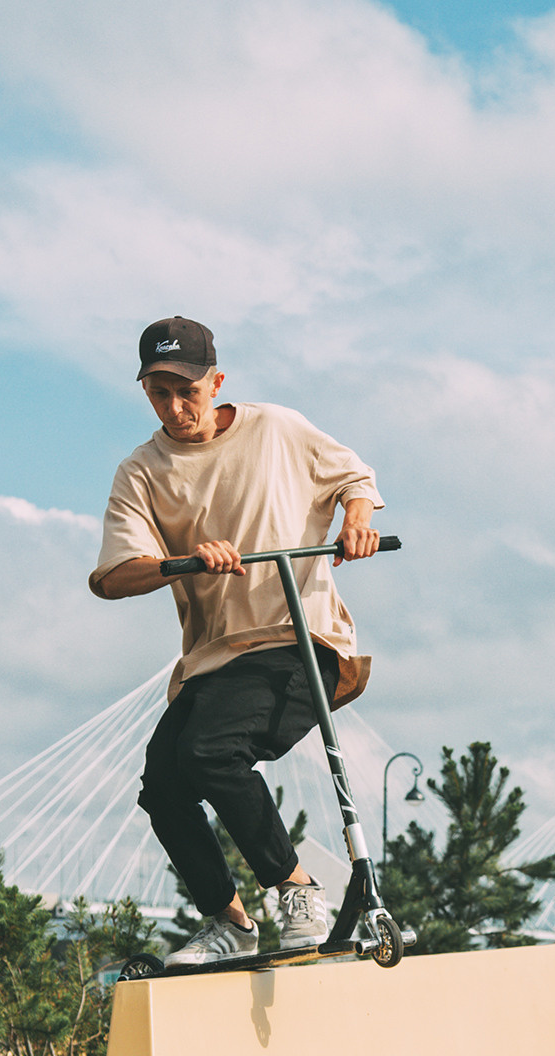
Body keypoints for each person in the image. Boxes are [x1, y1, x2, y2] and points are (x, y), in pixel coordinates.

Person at [89, 316, 384, 966]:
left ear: (216, 383)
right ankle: (232, 924)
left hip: (300, 639)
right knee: (163, 786)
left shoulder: (276, 428)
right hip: (214, 659)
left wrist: (357, 521)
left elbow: (353, 480)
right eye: (159, 393)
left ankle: (297, 890)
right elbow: (113, 577)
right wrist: (184, 561)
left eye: (187, 391)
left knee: (211, 751)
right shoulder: (142, 472)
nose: (175, 408)